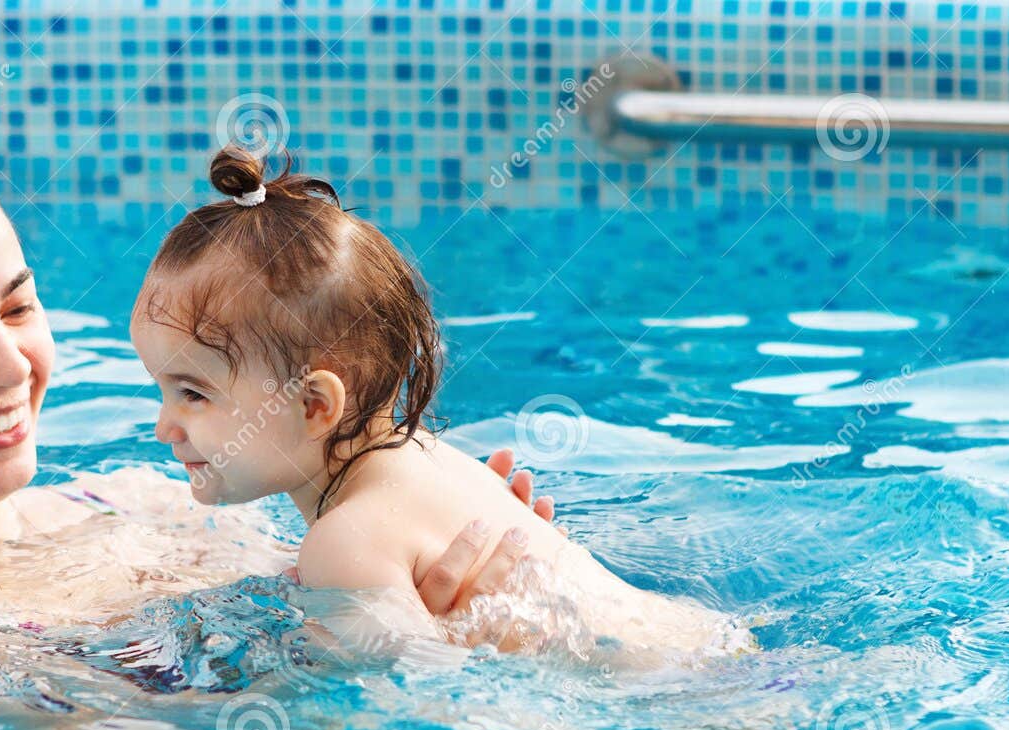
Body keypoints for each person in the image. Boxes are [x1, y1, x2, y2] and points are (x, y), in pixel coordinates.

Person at [0, 136, 562, 686]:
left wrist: (466, 563)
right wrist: (456, 647)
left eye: (20, 308)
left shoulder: (152, 498)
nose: (9, 366)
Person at [130, 146, 753, 659]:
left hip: (679, 703)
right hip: (713, 650)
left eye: (192, 394)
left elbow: (413, 713)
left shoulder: (345, 542)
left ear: (314, 404)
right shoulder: (426, 461)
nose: (165, 427)